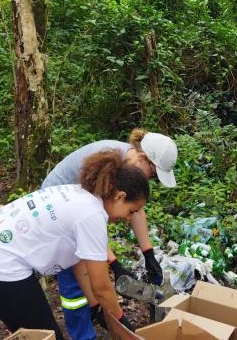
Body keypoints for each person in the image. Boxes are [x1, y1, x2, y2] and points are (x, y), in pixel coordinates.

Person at [0, 151, 150, 336]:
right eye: (132, 211)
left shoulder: (82, 195)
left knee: (34, 333)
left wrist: (95, 307)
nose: (128, 218)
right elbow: (101, 287)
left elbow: (80, 263)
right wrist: (123, 324)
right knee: (46, 335)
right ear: (120, 196)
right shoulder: (92, 214)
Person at [41, 129, 177, 340]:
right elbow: (88, 224)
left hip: (81, 212)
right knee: (75, 275)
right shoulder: (106, 166)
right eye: (153, 174)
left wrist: (148, 253)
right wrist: (114, 264)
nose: (151, 179)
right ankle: (83, 334)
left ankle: (96, 312)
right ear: (143, 157)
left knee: (90, 271)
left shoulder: (130, 169)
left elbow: (136, 209)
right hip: (57, 208)